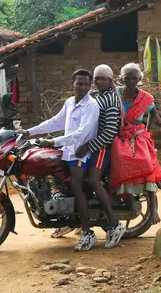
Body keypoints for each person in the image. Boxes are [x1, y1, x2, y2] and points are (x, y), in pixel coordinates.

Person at [21, 69, 101, 251]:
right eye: (79, 83)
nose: (82, 87)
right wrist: (29, 132)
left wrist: (53, 141)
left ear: (90, 86)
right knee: (57, 181)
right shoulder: (70, 103)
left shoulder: (91, 105)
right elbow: (55, 122)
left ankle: (87, 232)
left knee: (76, 187)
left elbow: (81, 133)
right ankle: (68, 219)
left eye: (86, 84)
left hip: (81, 153)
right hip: (67, 151)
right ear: (72, 82)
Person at [52, 64, 127, 248]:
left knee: (93, 181)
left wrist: (89, 146)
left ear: (110, 81)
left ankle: (113, 223)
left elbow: (109, 131)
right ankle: (77, 222)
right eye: (97, 78)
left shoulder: (108, 99)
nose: (99, 81)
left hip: (102, 147)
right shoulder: (96, 96)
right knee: (80, 183)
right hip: (90, 146)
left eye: (103, 79)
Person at [110, 63, 161, 224]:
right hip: (120, 133)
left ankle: (153, 208)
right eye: (127, 78)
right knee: (119, 158)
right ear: (121, 79)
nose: (131, 81)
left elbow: (153, 114)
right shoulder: (116, 94)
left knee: (147, 163)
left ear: (139, 79)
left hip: (138, 135)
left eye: (134, 78)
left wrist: (147, 131)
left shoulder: (145, 98)